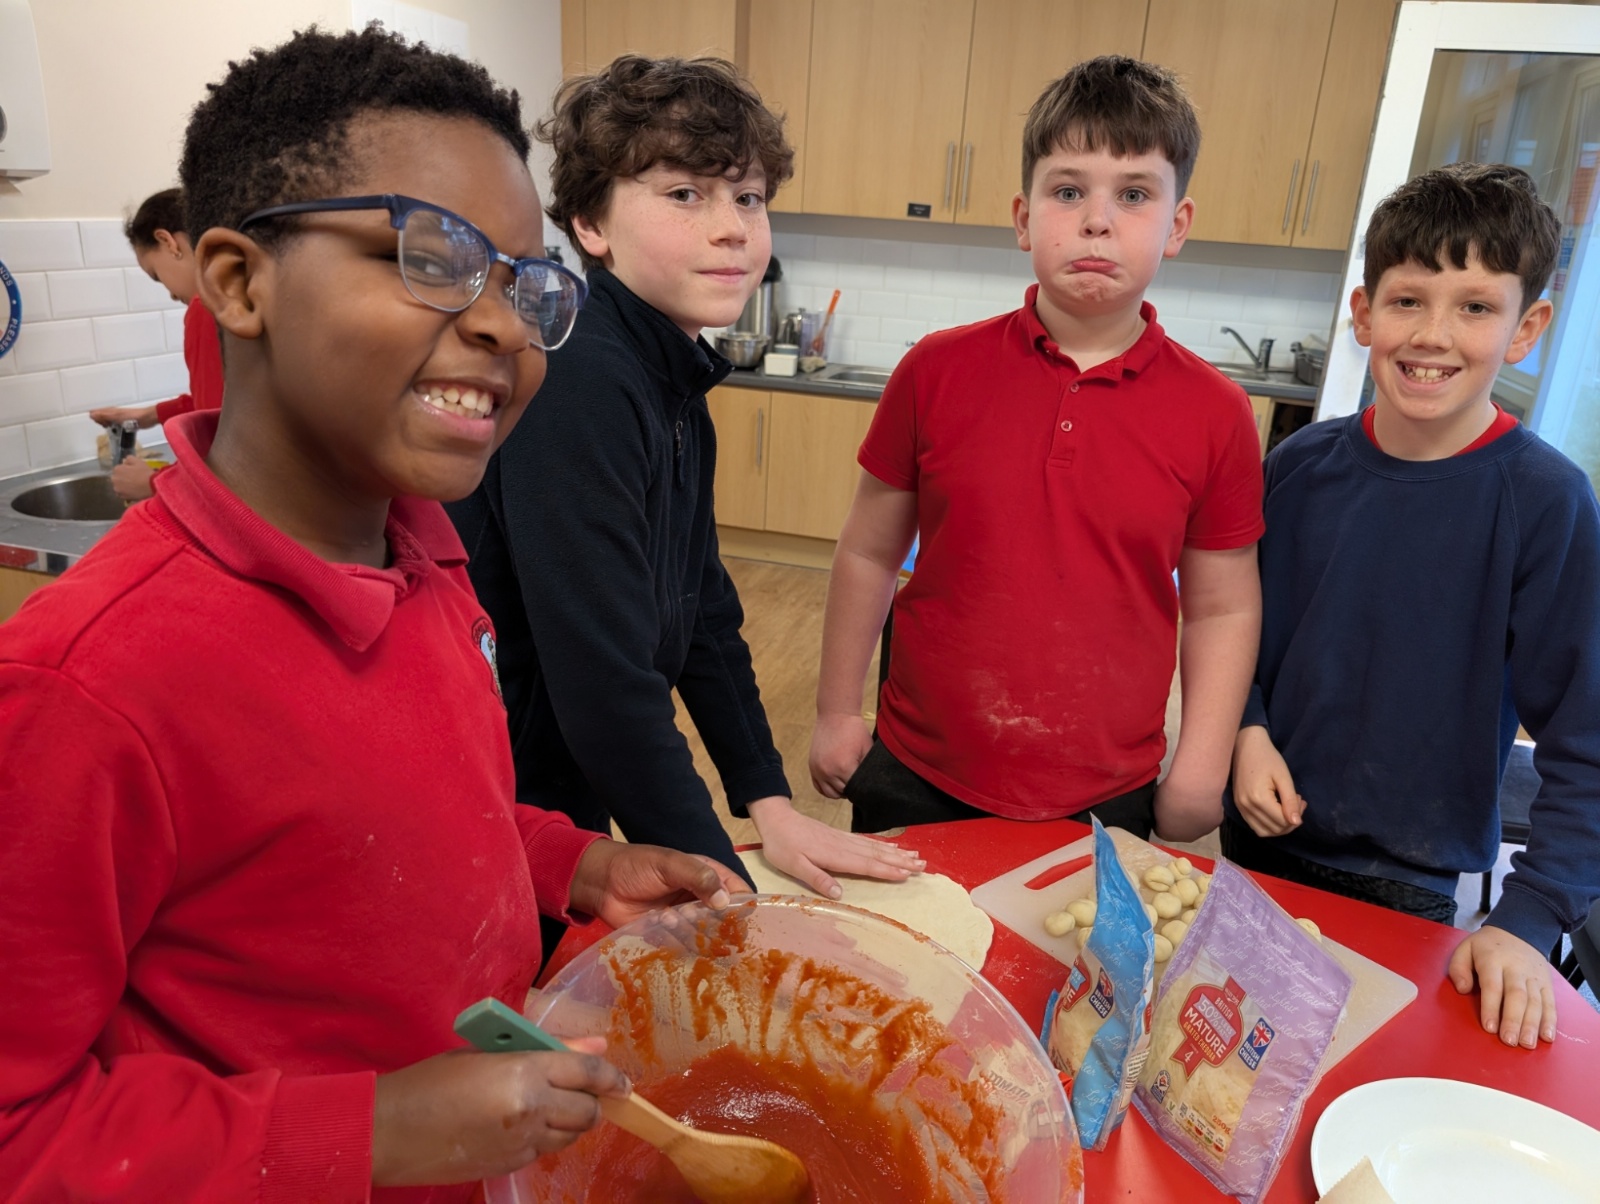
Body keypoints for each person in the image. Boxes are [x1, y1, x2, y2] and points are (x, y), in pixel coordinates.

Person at [0, 28, 747, 1201]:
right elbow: (19, 1132)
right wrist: (376, 1129)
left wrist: (571, 861)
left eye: (525, 282)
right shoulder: (81, 686)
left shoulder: (428, 559)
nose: (503, 324)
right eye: (433, 256)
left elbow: (400, 825)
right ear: (239, 281)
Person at [448, 54, 922, 905]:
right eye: (684, 194)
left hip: (566, 786)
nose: (733, 227)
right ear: (591, 223)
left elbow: (702, 611)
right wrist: (724, 888)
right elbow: (605, 687)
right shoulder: (579, 379)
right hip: (501, 798)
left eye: (749, 197)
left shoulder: (673, 388)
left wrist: (768, 801)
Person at [808, 56, 1264, 843]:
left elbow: (1223, 607)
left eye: (1134, 194)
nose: (1097, 220)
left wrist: (1201, 763)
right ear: (1023, 219)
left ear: (1178, 224)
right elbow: (869, 552)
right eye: (1068, 191)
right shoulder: (935, 370)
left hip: (1106, 790)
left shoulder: (1218, 412)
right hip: (918, 767)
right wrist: (836, 711)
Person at [1228, 162, 1600, 1050]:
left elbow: (1587, 739)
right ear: (1364, 313)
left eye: (1475, 306)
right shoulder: (1296, 469)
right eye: (1408, 300)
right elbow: (1233, 634)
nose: (1434, 334)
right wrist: (1246, 729)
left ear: (1527, 328)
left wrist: (1528, 919)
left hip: (1408, 884)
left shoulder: (1547, 503)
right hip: (1256, 844)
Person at [88, 187, 225, 501]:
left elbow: (217, 437)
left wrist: (153, 484)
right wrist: (149, 415)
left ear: (167, 242)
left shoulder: (206, 309)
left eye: (157, 275)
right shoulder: (252, 293)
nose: (171, 294)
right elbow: (231, 405)